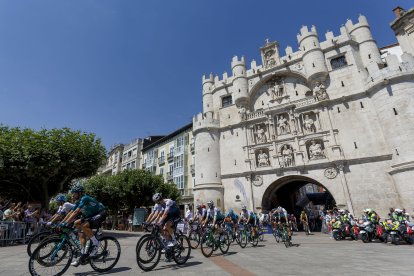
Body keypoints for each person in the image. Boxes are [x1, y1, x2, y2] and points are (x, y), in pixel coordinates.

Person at [61, 184, 107, 267]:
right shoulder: (77, 201)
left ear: (79, 193)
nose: (72, 195)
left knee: (84, 225)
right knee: (77, 225)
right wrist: (62, 222)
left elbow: (76, 212)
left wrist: (66, 223)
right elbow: (71, 212)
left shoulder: (84, 198)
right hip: (90, 215)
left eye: (74, 193)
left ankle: (96, 242)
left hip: (100, 212)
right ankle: (82, 256)